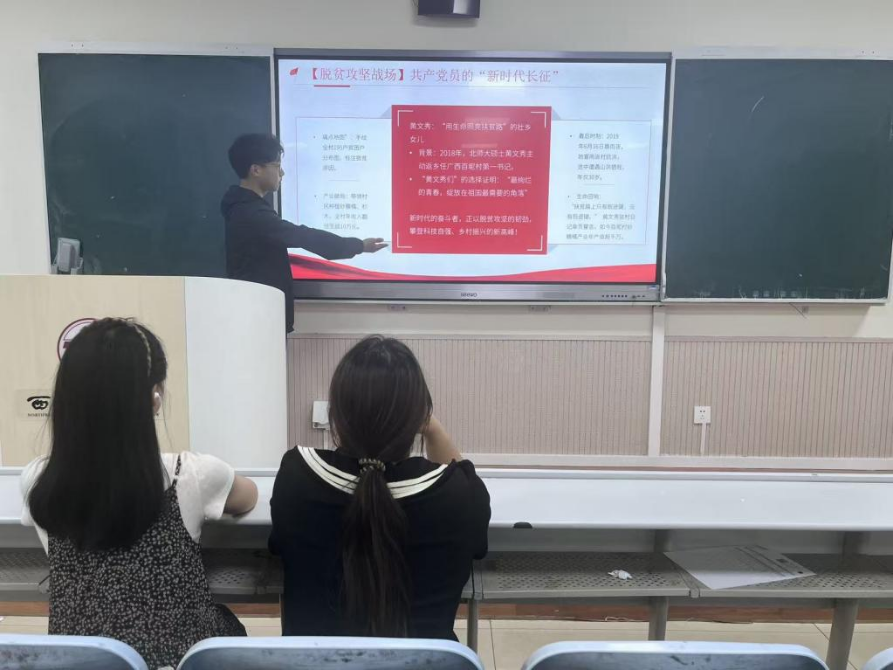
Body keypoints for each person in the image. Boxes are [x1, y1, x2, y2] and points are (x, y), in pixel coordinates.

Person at [21, 318, 258, 670]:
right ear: (154, 397)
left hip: (80, 663)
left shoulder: (38, 479)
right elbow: (248, 497)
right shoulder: (192, 474)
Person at [269, 335, 491, 639]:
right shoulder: (459, 495)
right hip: (428, 663)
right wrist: (431, 426)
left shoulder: (296, 475)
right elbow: (460, 478)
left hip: (311, 662)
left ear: (336, 416)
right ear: (418, 418)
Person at [222, 133, 387, 333]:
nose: (282, 173)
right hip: (259, 318)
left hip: (260, 313)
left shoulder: (245, 207)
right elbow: (302, 236)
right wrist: (358, 245)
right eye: (276, 166)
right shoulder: (251, 213)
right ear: (256, 170)